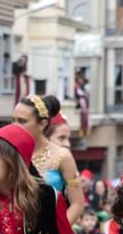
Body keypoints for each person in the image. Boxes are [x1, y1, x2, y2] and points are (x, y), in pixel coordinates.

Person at [12, 94, 85, 224]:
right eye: (14, 120)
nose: (15, 126)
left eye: (22, 121)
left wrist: (57, 232)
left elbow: (77, 204)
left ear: (42, 124)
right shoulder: (10, 153)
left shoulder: (62, 156)